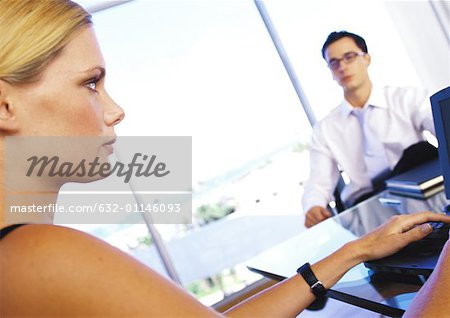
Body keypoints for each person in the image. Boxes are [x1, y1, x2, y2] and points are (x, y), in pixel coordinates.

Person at [1, 1, 450, 317]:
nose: (116, 110)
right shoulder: (42, 255)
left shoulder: (22, 256)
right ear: (5, 105)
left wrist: (355, 250)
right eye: (91, 83)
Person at [303, 31, 436, 228]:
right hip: (367, 211)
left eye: (349, 57)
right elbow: (318, 181)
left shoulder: (406, 98)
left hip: (421, 192)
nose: (342, 67)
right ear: (330, 71)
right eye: (334, 62)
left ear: (366, 58)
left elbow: (439, 125)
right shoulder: (326, 129)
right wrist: (313, 206)